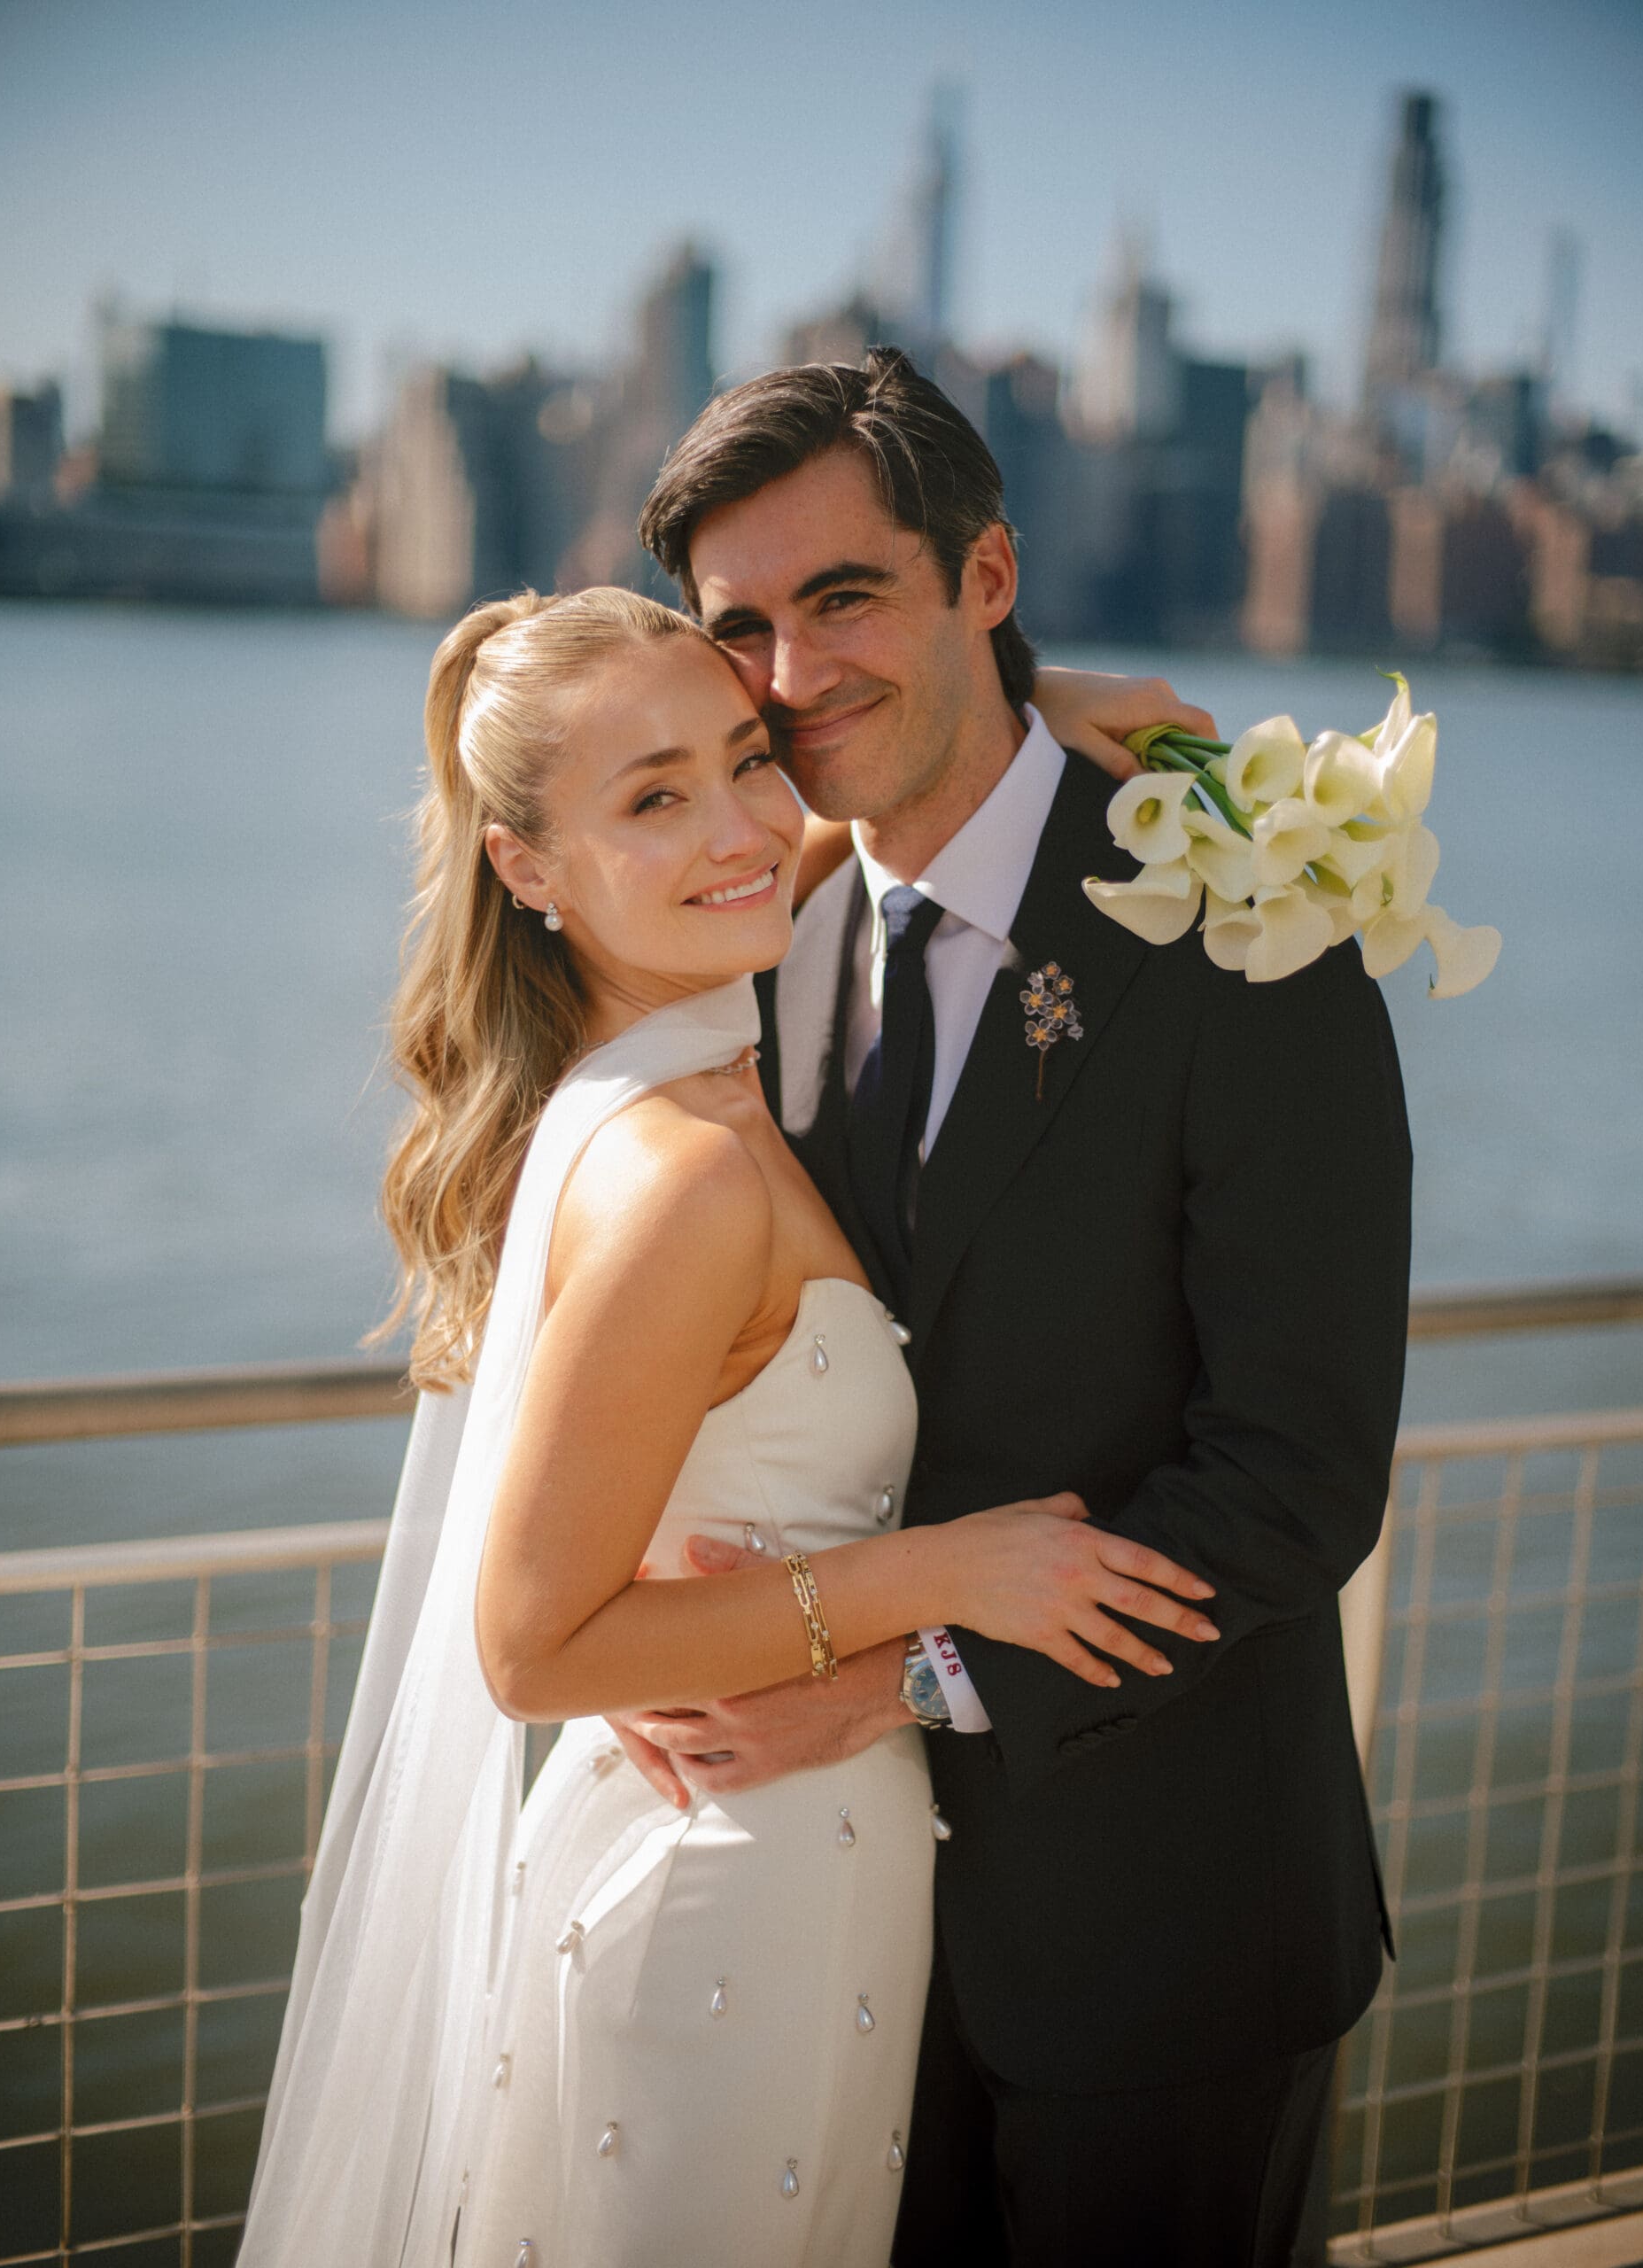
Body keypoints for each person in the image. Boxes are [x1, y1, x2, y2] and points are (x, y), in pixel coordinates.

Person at [237, 584, 1220, 2268]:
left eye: (746, 758)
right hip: (723, 1895)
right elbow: (537, 1649)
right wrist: (945, 1574)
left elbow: (815, 831)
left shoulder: (692, 1057)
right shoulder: (681, 1178)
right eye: (653, 798)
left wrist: (1029, 698)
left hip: (788, 1862)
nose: (743, 828)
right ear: (527, 868)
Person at [617, 347, 1414, 2267]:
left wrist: (893, 1674)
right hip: (843, 1934)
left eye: (847, 596)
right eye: (744, 626)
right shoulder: (771, 931)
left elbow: (1294, 1477)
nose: (793, 675)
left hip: (1162, 1944)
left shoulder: (1246, 934)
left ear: (987, 573)